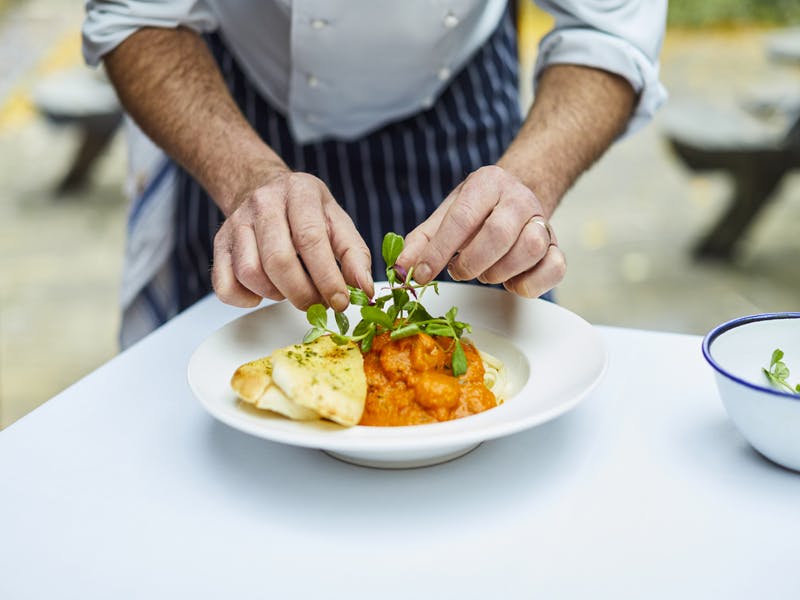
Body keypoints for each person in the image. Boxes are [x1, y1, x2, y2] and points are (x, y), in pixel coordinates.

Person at [82, 1, 666, 348]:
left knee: (505, 378)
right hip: (240, 102)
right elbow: (137, 15)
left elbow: (608, 29)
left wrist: (530, 181)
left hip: (459, 88)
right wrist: (245, 176)